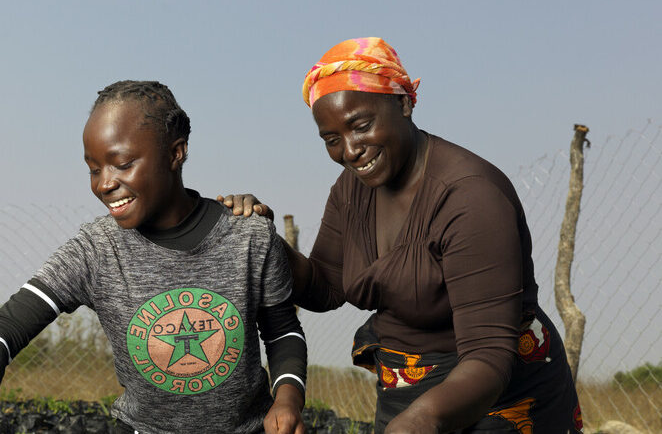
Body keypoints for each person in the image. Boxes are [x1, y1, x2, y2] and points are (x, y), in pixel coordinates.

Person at [219, 38, 583, 433]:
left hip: (500, 397)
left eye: (361, 125)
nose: (351, 150)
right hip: (406, 390)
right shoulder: (351, 189)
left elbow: (488, 355)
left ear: (404, 104)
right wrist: (263, 238)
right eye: (332, 139)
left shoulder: (470, 198)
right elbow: (325, 287)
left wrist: (420, 421)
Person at [0, 80, 307, 434]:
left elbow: (282, 333)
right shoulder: (96, 251)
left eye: (121, 163)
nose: (104, 183)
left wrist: (287, 401)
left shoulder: (249, 237)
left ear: (175, 153)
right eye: (94, 168)